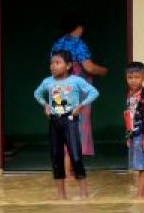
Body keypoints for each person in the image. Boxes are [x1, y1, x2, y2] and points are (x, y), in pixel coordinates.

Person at [34, 50, 99, 199]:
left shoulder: (76, 81)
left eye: (57, 63)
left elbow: (93, 92)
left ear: (68, 65)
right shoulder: (47, 82)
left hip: (70, 121)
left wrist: (81, 106)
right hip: (55, 122)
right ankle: (61, 195)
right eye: (51, 63)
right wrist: (45, 105)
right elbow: (37, 94)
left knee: (76, 156)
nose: (53, 66)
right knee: (56, 157)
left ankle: (84, 194)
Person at [49, 15, 108, 164]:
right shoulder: (78, 44)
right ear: (79, 28)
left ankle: (64, 163)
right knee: (78, 122)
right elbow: (88, 66)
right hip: (76, 88)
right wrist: (103, 71)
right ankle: (73, 161)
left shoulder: (57, 44)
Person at [124, 61, 144, 198]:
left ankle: (140, 195)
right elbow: (128, 116)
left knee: (142, 166)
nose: (133, 81)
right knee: (141, 165)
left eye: (137, 77)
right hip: (134, 133)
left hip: (142, 134)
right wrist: (128, 136)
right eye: (130, 77)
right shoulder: (129, 94)